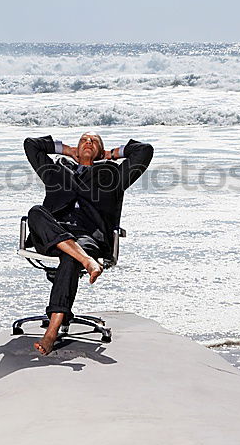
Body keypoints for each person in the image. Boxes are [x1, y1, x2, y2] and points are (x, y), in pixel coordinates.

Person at [23, 131, 154, 355]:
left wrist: (112, 154)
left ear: (100, 151)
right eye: (84, 140)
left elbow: (144, 151)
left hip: (88, 234)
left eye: (94, 141)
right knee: (36, 212)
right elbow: (31, 145)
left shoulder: (113, 174)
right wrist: (66, 150)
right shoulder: (56, 170)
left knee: (70, 258)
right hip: (53, 228)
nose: (88, 142)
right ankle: (86, 260)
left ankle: (52, 331)